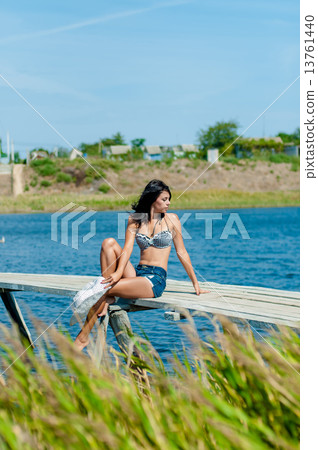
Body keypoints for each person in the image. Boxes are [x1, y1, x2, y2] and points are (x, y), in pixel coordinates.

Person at [74, 179, 209, 350]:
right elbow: (127, 249)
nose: (168, 203)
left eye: (169, 199)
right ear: (153, 199)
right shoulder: (135, 219)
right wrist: (117, 273)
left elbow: (181, 252)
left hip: (155, 279)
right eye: (164, 199)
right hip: (137, 273)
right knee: (108, 243)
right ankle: (107, 295)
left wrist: (195, 283)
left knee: (102, 288)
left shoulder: (172, 219)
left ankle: (84, 335)